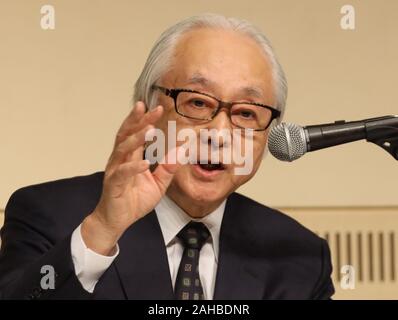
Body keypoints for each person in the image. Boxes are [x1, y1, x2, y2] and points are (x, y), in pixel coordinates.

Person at [0, 13, 334, 300]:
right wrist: (101, 231)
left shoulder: (298, 255)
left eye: (246, 113)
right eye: (198, 103)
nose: (219, 135)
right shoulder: (49, 215)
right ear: (149, 108)